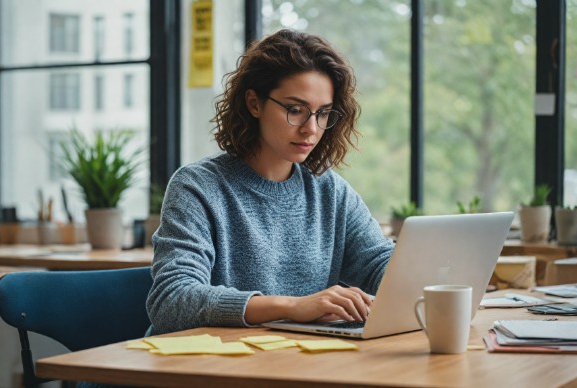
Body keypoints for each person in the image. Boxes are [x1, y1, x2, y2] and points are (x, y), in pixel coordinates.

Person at [146, 29, 395, 336]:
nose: (311, 129)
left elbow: (378, 262)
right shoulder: (198, 187)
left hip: (292, 360)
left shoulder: (330, 191)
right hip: (203, 369)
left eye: (323, 113)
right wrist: (293, 307)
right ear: (254, 103)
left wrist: (424, 280)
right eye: (295, 110)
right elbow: (172, 301)